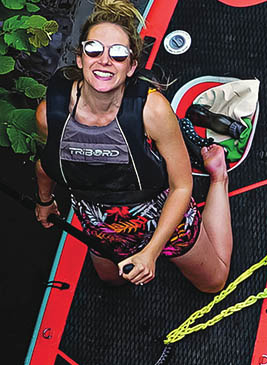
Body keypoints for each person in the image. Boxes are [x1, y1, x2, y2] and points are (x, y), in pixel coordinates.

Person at [33, 0, 232, 293]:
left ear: (131, 66)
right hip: (98, 217)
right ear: (80, 58)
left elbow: (181, 186)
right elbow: (46, 163)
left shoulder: (153, 111)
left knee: (213, 283)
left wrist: (151, 252)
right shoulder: (49, 113)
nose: (104, 60)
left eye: (118, 54)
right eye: (94, 50)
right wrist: (45, 201)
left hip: (161, 213)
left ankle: (218, 177)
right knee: (110, 281)